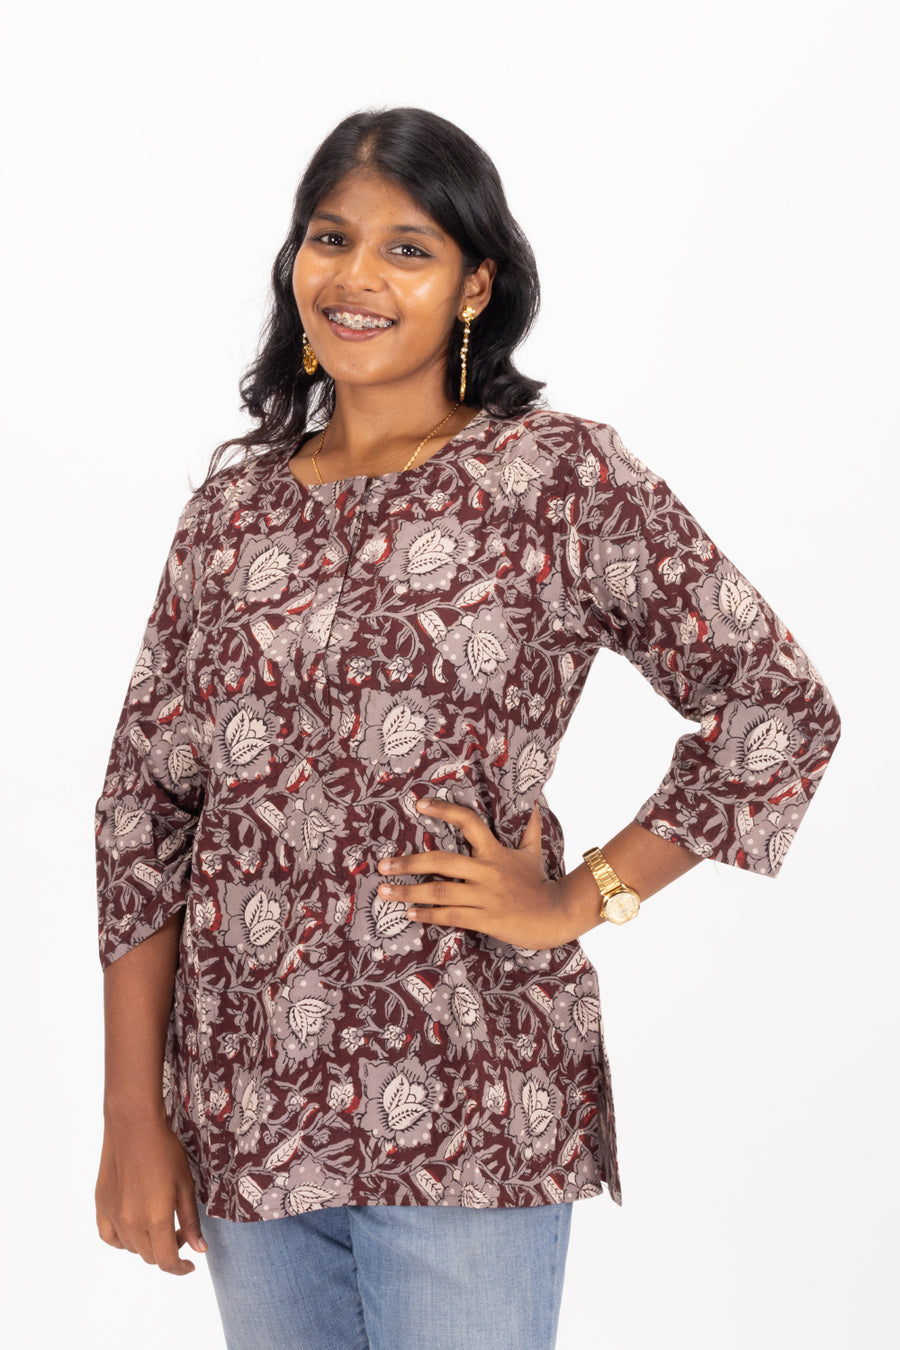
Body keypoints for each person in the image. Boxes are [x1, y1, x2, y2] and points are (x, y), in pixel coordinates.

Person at [94, 107, 841, 1350]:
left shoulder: (558, 479)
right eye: (331, 238)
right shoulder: (232, 514)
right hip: (245, 1109)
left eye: (409, 249)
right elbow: (143, 812)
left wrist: (586, 896)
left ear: (475, 286)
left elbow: (777, 704)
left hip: (470, 1100)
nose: (358, 277)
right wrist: (135, 1113)